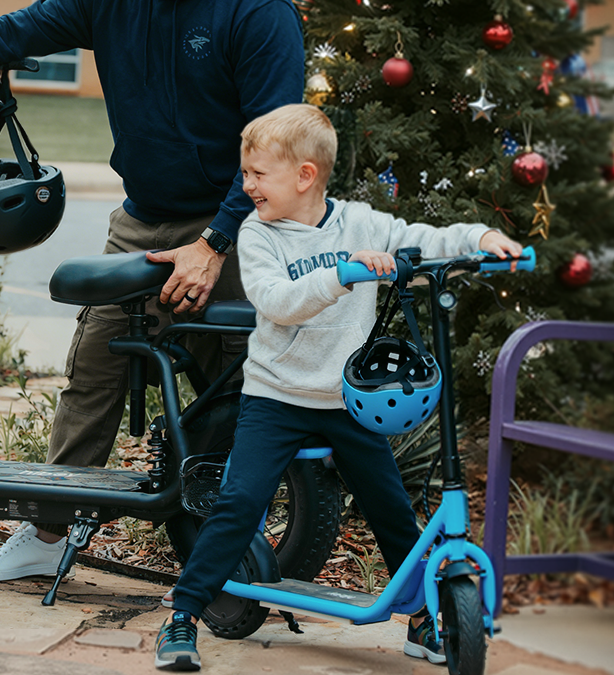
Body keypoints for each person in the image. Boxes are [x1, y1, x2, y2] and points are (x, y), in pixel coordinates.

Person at [0, 0, 306, 581]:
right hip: (145, 220)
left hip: (241, 224)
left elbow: (276, 143)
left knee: (235, 383)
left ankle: (239, 542)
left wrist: (214, 243)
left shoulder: (257, 13)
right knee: (96, 366)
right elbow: (14, 30)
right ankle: (50, 534)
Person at [152, 104, 522, 671]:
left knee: (391, 509)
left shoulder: (360, 223)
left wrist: (480, 235)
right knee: (240, 504)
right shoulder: (257, 235)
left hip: (347, 403)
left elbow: (419, 238)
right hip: (276, 398)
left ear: (305, 175)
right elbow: (277, 302)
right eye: (244, 173)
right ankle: (183, 617)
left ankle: (423, 620)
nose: (246, 185)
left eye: (257, 174)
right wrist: (342, 273)